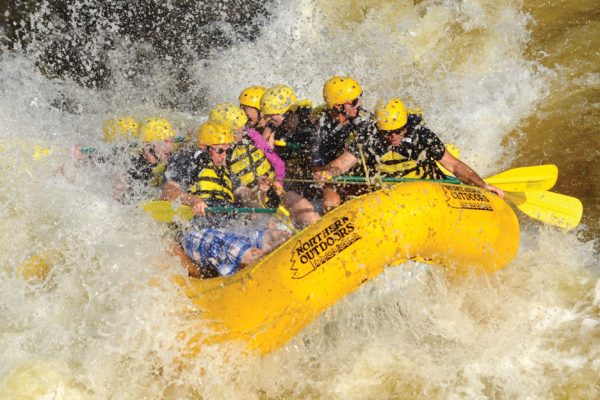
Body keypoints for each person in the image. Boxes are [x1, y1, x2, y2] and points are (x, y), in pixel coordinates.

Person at [162, 121, 290, 277]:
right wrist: (193, 200)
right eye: (220, 150)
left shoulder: (226, 171)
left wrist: (259, 192)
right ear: (204, 147)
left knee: (281, 237)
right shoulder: (187, 161)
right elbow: (168, 191)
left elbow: (246, 196)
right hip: (199, 231)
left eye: (227, 151)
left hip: (230, 227)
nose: (224, 156)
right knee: (252, 254)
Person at [318, 97, 504, 198]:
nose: (393, 137)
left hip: (427, 191)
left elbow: (453, 165)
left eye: (398, 131)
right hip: (391, 196)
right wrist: (327, 172)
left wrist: (481, 185)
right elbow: (342, 164)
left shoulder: (421, 135)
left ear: (405, 126)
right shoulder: (370, 136)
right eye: (387, 133)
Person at [311, 76, 379, 211]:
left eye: (359, 98)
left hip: (364, 176)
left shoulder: (365, 121)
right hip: (335, 178)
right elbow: (317, 167)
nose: (359, 104)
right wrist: (322, 176)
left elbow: (344, 163)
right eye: (354, 102)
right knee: (331, 202)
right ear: (338, 106)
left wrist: (327, 171)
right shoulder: (321, 124)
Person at [259, 84, 321, 223]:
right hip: (296, 184)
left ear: (286, 112)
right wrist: (267, 144)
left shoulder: (310, 124)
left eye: (271, 115)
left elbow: (317, 159)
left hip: (317, 180)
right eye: (267, 116)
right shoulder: (277, 128)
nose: (268, 119)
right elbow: (263, 151)